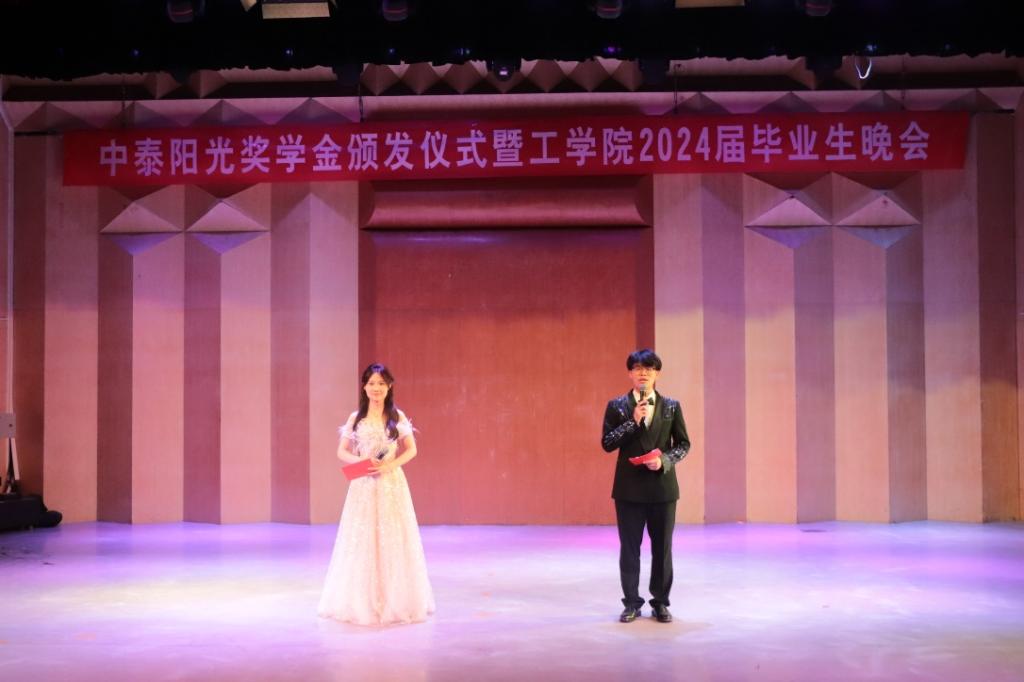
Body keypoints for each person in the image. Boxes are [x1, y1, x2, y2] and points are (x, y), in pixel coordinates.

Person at [318, 363, 435, 626]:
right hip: (363, 484)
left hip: (391, 484)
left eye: (381, 383)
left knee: (392, 536)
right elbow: (341, 451)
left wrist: (390, 465)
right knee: (362, 537)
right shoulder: (356, 417)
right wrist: (362, 462)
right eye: (371, 383)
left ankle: (395, 599)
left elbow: (411, 449)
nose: (376, 388)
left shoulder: (397, 416)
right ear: (364, 387)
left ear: (389, 386)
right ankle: (363, 599)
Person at [601, 349, 691, 624]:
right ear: (630, 373)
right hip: (629, 490)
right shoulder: (617, 406)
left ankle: (660, 603)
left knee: (662, 549)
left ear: (657, 374)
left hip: (662, 488)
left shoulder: (672, 406)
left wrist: (664, 460)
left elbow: (683, 444)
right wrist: (633, 422)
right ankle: (631, 603)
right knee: (630, 549)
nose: (644, 373)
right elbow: (607, 443)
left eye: (649, 369)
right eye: (638, 368)